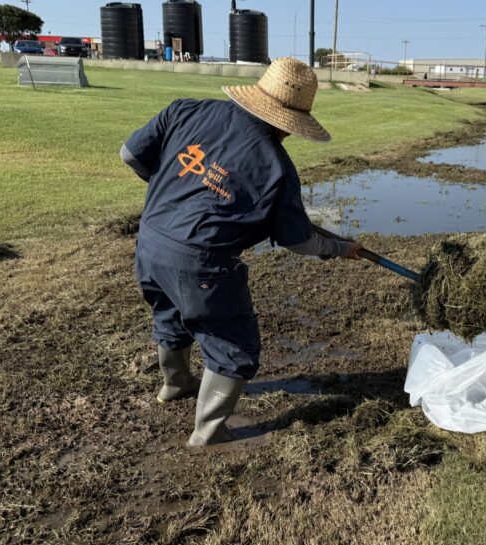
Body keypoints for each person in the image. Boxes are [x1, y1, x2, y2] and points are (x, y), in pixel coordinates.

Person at [120, 57, 362, 448]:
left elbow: (130, 155)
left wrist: (178, 193)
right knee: (234, 344)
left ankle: (174, 386)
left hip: (150, 239)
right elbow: (299, 240)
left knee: (169, 312)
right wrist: (340, 249)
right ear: (288, 123)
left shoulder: (186, 110)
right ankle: (209, 433)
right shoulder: (276, 168)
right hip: (200, 261)